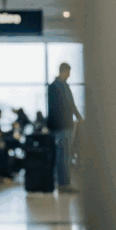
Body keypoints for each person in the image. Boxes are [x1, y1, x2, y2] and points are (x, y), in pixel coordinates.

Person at [47, 62, 84, 191]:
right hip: (64, 126)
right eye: (68, 72)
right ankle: (64, 184)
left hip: (57, 126)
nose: (69, 74)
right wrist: (79, 118)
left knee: (60, 155)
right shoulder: (62, 86)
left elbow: (52, 109)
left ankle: (61, 183)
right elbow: (71, 104)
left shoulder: (52, 86)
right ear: (64, 71)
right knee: (64, 156)